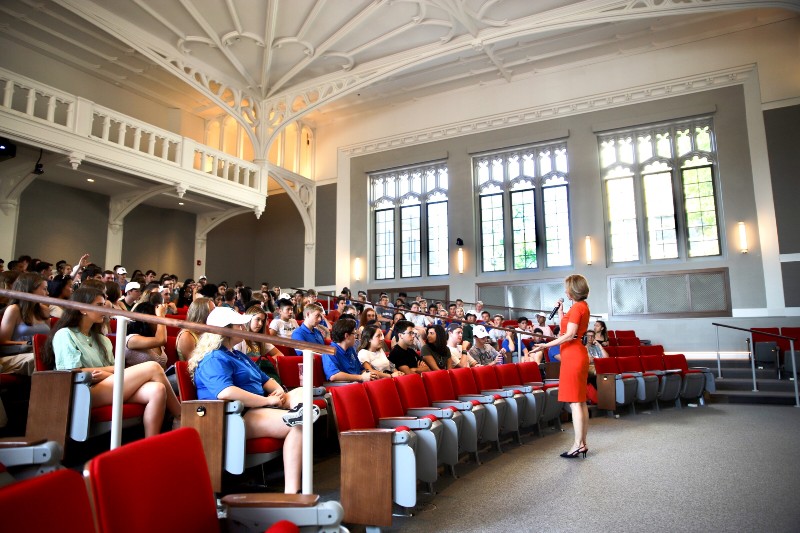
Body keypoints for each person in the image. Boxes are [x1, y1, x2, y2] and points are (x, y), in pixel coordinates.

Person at [189, 306, 319, 494]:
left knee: (301, 391)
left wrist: (278, 394)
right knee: (298, 426)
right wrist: (266, 401)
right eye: (239, 326)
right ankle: (292, 492)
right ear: (225, 331)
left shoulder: (238, 355)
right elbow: (225, 392)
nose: (244, 328)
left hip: (260, 405)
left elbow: (268, 381)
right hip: (236, 415)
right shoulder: (212, 358)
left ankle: (299, 411)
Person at [46, 287, 181, 437]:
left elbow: (117, 368)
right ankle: (181, 415)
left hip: (105, 383)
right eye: (99, 305)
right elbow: (70, 372)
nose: (104, 309)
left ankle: (150, 443)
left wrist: (104, 373)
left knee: (157, 389)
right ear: (83, 309)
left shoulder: (102, 339)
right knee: (154, 367)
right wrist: (106, 372)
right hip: (82, 389)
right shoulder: (65, 334)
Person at [531, 274, 592, 459]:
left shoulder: (578, 308)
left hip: (573, 356)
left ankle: (577, 444)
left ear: (572, 290)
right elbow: (568, 329)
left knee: (575, 403)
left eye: (567, 288)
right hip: (575, 354)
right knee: (579, 402)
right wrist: (561, 312)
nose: (565, 291)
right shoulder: (580, 307)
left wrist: (546, 345)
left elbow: (569, 334)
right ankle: (582, 443)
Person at [0, 272, 45, 376]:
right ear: (30, 290)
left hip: (39, 352)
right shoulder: (13, 310)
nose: (47, 293)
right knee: (37, 360)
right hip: (16, 353)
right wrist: (28, 344)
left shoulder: (45, 311)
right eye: (43, 289)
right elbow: (2, 341)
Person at [234, 305, 285, 384]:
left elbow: (280, 355)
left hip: (259, 374)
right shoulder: (240, 338)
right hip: (245, 374)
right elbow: (235, 360)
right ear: (249, 319)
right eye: (257, 319)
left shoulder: (261, 339)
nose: (260, 324)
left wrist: (266, 360)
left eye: (262, 321)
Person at [323, 317, 376, 382]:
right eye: (354, 334)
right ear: (347, 336)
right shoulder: (329, 351)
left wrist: (369, 374)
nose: (356, 337)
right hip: (344, 386)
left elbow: (360, 369)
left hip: (357, 383)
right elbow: (333, 376)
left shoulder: (350, 349)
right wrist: (361, 377)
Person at [124, 301, 168, 369]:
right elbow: (161, 340)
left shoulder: (154, 336)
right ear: (146, 321)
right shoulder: (131, 339)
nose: (159, 324)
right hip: (138, 378)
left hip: (159, 378)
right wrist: (161, 316)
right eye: (157, 318)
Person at [176, 297, 214, 362]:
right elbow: (193, 364)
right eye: (213, 310)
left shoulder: (208, 331)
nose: (216, 313)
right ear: (203, 313)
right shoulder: (187, 335)